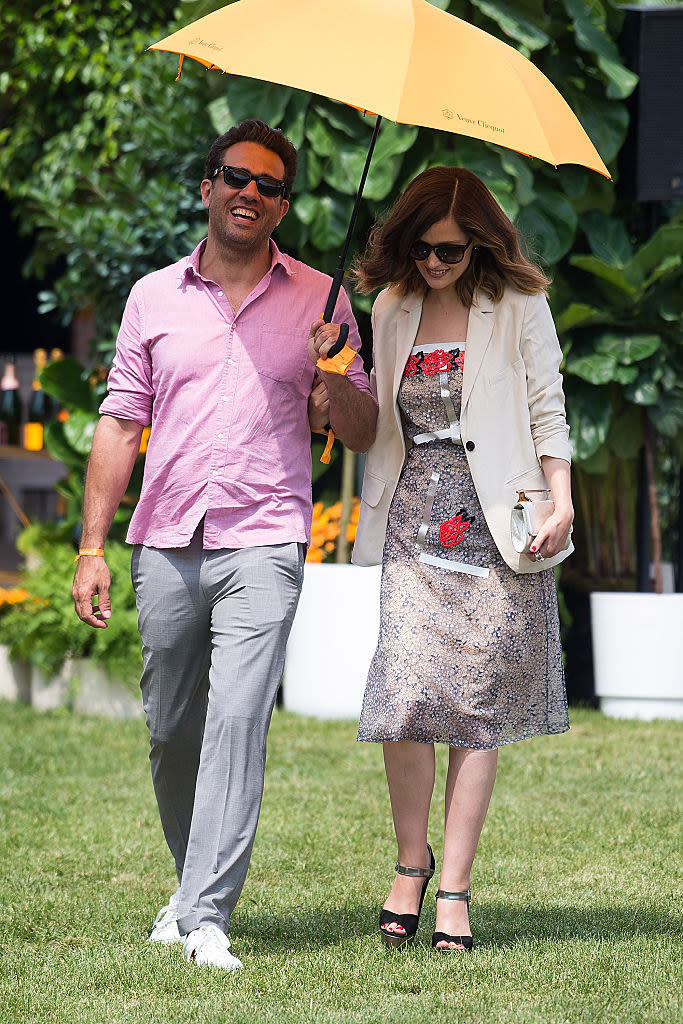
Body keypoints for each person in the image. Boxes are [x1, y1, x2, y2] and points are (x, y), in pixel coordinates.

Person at [72, 119, 377, 971]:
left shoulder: (321, 298)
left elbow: (356, 429)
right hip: (166, 537)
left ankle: (206, 915)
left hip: (265, 537)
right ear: (206, 186)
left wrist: (329, 368)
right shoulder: (151, 298)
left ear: (284, 207)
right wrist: (92, 548)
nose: (251, 193)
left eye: (270, 186)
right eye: (236, 177)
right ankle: (189, 883)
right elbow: (121, 421)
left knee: (238, 722)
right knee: (172, 729)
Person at [349, 166, 574, 952]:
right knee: (405, 691)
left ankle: (453, 889)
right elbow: (372, 417)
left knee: (475, 705)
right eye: (418, 248)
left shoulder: (517, 306)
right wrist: (328, 371)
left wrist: (563, 498)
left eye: (447, 249)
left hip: (498, 520)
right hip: (412, 514)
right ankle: (410, 863)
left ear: (478, 243)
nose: (432, 262)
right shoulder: (388, 306)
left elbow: (547, 407)